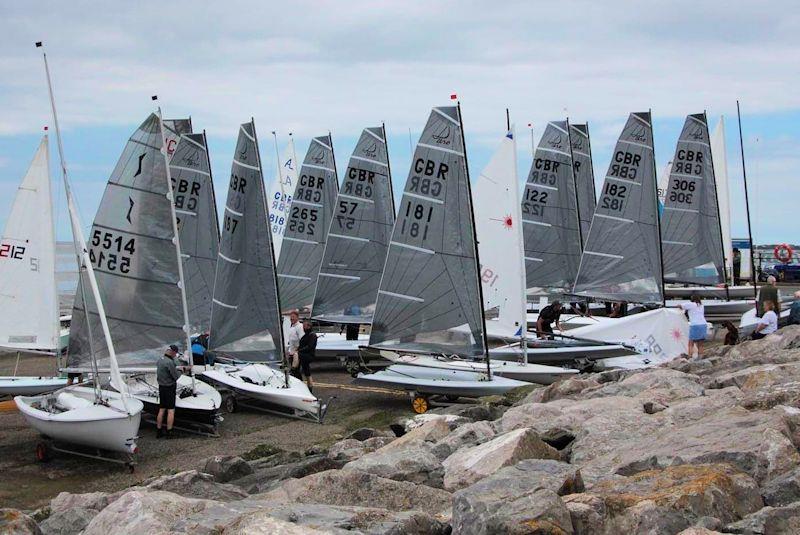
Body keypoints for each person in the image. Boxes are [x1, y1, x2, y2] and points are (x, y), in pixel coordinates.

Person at [156, 344, 184, 439]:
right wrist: (182, 370)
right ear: (173, 352)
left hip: (161, 387)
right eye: (175, 354)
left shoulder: (160, 360)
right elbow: (176, 376)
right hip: (169, 388)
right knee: (171, 410)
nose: (175, 355)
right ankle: (169, 432)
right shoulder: (169, 362)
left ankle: (159, 431)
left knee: (161, 409)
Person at [293, 320, 317, 392]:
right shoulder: (305, 335)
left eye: (304, 326)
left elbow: (310, 347)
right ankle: (309, 388)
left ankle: (293, 368)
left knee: (296, 357)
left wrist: (298, 351)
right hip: (304, 355)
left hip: (308, 355)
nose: (303, 328)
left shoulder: (312, 335)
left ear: (309, 326)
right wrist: (297, 349)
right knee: (306, 371)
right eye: (303, 326)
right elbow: (301, 345)